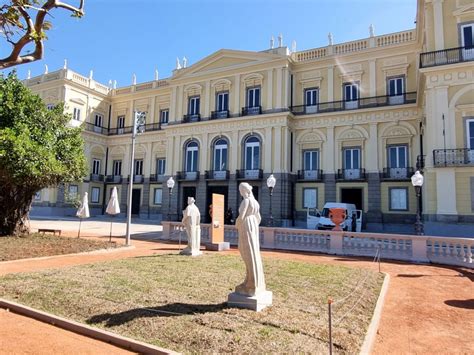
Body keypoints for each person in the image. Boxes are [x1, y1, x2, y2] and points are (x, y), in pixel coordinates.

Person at [235, 182, 266, 296]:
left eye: (240, 190)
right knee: (253, 253)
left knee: (246, 252)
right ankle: (251, 280)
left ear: (243, 191)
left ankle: (251, 284)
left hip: (246, 225)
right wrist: (253, 224)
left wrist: (237, 225)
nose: (240, 192)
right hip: (253, 225)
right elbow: (259, 218)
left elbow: (241, 216)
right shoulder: (255, 202)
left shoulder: (246, 201)